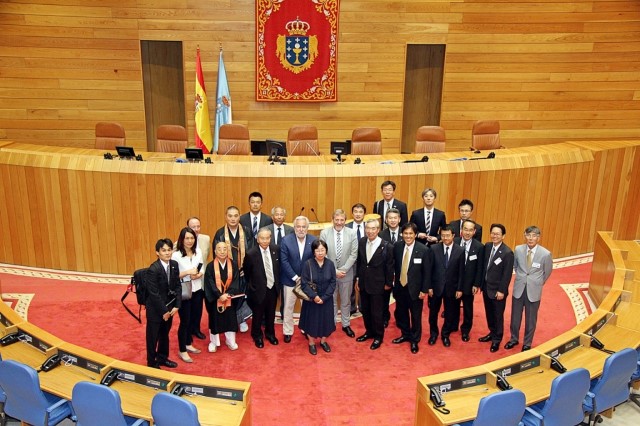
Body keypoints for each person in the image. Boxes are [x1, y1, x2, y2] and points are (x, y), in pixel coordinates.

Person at [505, 226, 553, 352]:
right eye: (528, 235)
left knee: (531, 319)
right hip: (519, 288)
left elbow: (547, 272)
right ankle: (513, 339)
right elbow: (515, 266)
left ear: (538, 238)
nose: (531, 238)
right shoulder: (518, 249)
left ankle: (527, 343)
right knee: (515, 317)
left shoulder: (545, 254)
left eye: (534, 236)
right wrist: (522, 277)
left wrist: (536, 282)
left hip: (534, 290)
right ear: (524, 235)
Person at [214, 206, 254, 337]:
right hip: (228, 273)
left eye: (236, 216)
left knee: (242, 295)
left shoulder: (247, 232)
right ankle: (231, 321)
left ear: (239, 216)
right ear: (226, 216)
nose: (233, 218)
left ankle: (241, 319)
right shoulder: (220, 233)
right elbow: (218, 254)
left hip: (243, 271)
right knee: (230, 295)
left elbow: (252, 252)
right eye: (230, 216)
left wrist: (246, 269)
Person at [355, 219, 394, 350]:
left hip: (379, 285)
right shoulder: (361, 242)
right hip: (364, 284)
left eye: (373, 228)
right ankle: (369, 332)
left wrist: (388, 284)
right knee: (365, 310)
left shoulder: (387, 246)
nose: (370, 231)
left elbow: (389, 267)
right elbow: (360, 262)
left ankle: (378, 336)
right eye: (368, 228)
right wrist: (357, 279)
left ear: (378, 230)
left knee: (377, 313)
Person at [391, 222, 430, 354]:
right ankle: (405, 334)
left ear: (415, 235)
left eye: (411, 234)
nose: (408, 236)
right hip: (400, 287)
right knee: (401, 313)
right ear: (402, 234)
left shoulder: (423, 250)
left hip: (415, 289)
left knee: (415, 316)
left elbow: (427, 272)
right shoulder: (397, 246)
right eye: (405, 233)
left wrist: (424, 290)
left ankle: (415, 340)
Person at [319, 209, 358, 338]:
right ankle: (332, 323)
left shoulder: (352, 233)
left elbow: (354, 254)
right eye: (337, 220)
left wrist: (344, 270)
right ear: (333, 220)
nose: (339, 222)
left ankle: (346, 324)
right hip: (329, 273)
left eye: (342, 220)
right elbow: (322, 253)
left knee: (346, 301)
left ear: (345, 221)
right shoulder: (324, 233)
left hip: (347, 273)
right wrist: (334, 270)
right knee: (332, 300)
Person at [279, 216, 317, 343]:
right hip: (290, 280)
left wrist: (305, 278)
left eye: (303, 227)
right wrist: (295, 277)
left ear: (307, 228)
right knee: (288, 307)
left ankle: (306, 329)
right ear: (294, 228)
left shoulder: (313, 240)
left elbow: (314, 260)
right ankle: (288, 331)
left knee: (306, 307)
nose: (301, 229)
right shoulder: (286, 240)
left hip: (306, 282)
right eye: (298, 226)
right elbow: (283, 261)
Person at [479, 224, 515, 353]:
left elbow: (507, 274)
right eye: (493, 233)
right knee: (489, 313)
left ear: (503, 236)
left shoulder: (507, 253)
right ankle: (491, 332)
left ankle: (497, 339)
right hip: (487, 288)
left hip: (498, 291)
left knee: (498, 315)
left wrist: (502, 290)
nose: (494, 236)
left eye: (497, 234)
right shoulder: (488, 246)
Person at [145, 238, 181, 369]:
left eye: (169, 250)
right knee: (152, 337)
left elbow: (177, 286)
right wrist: (164, 311)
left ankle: (162, 358)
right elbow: (154, 294)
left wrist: (177, 305)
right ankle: (151, 362)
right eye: (164, 250)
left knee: (164, 335)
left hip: (170, 307)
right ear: (157, 252)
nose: (167, 253)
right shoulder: (153, 269)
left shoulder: (174, 265)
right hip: (156, 310)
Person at [427, 225, 465, 347]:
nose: (445, 238)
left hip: (452, 288)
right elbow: (429, 270)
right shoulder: (433, 249)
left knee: (449, 313)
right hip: (435, 287)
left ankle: (445, 334)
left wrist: (460, 288)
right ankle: (433, 334)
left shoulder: (460, 250)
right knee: (433, 313)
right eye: (443, 235)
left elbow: (461, 272)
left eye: (447, 235)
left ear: (453, 235)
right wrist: (429, 287)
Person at [243, 227, 281, 348]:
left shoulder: (276, 249)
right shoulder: (250, 254)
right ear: (257, 239)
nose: (265, 241)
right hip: (258, 290)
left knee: (271, 314)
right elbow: (247, 273)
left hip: (272, 288)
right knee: (258, 315)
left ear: (270, 238)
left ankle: (270, 334)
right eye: (262, 238)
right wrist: (253, 287)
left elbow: (278, 268)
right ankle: (257, 336)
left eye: (267, 238)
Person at [171, 227, 204, 363]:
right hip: (184, 291)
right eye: (187, 238)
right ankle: (182, 350)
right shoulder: (176, 255)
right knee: (184, 321)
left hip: (197, 289)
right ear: (181, 240)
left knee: (193, 319)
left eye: (192, 238)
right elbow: (173, 276)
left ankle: (188, 344)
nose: (190, 241)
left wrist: (198, 274)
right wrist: (188, 272)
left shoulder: (198, 251)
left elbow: (202, 268)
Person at [299, 240, 337, 355]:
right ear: (313, 252)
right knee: (311, 321)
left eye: (322, 250)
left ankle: (323, 341)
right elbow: (304, 283)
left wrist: (324, 298)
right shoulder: (308, 264)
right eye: (317, 250)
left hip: (326, 299)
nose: (320, 253)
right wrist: (314, 297)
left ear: (326, 251)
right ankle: (311, 342)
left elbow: (333, 282)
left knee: (326, 321)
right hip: (311, 300)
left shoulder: (330, 264)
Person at [203, 242, 240, 352]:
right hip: (215, 299)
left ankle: (230, 341)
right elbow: (209, 283)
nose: (222, 251)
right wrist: (219, 295)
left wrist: (227, 294)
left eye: (225, 249)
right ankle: (214, 342)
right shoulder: (210, 266)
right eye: (219, 249)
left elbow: (236, 280)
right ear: (215, 251)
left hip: (229, 297)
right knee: (215, 320)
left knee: (230, 319)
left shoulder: (233, 264)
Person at [453, 219, 485, 342]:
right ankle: (452, 326)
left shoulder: (479, 246)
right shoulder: (454, 242)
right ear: (461, 230)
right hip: (454, 282)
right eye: (465, 229)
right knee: (453, 306)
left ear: (474, 232)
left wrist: (476, 284)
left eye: (470, 230)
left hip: (469, 283)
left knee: (467, 308)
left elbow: (480, 267)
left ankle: (465, 330)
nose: (467, 232)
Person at [186, 217, 210, 341]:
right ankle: (188, 330)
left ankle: (196, 329)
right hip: (187, 282)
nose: (196, 229)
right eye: (193, 227)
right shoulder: (180, 243)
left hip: (201, 280)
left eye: (198, 226)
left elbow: (205, 260)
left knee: (198, 307)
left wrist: (200, 273)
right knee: (188, 308)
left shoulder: (206, 239)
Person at [380, 207, 402, 328]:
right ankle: (385, 317)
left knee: (400, 297)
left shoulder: (406, 232)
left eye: (395, 218)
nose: (393, 220)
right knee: (384, 298)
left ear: (399, 219)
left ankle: (400, 318)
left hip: (401, 272)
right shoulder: (381, 234)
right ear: (386, 220)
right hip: (385, 272)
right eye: (390, 218)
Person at [346, 203, 367, 314]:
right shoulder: (346, 226)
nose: (358, 214)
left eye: (360, 212)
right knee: (350, 284)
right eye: (356, 212)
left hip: (365, 261)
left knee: (363, 284)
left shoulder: (368, 226)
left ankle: (363, 307)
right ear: (352, 213)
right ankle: (352, 308)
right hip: (351, 261)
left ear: (364, 214)